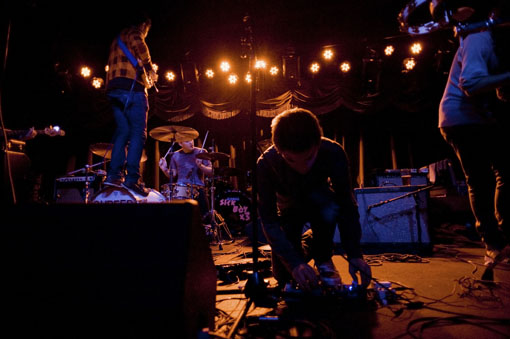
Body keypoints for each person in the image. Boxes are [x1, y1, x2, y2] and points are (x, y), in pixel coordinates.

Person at [256, 108, 372, 292]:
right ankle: (310, 246)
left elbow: (346, 204)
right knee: (283, 275)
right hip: (288, 208)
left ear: (318, 144)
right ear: (279, 151)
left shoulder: (334, 151)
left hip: (321, 202)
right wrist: (294, 264)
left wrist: (355, 254)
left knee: (331, 206)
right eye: (291, 160)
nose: (302, 167)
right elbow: (269, 220)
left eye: (309, 158)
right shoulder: (265, 163)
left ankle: (323, 256)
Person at [436, 0, 510, 266]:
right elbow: (472, 83)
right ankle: (494, 243)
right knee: (481, 179)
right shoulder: (480, 38)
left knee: (499, 174)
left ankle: (498, 240)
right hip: (461, 119)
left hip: (477, 119)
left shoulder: (496, 43)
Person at [103, 14, 158, 197]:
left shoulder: (115, 40)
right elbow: (140, 45)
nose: (146, 33)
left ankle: (113, 175)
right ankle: (132, 179)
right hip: (132, 90)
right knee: (137, 133)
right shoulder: (134, 32)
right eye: (147, 30)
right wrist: (150, 69)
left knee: (122, 131)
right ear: (144, 24)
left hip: (114, 90)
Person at [159, 138, 213, 217]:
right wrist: (164, 169)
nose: (191, 143)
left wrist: (200, 166)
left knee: (205, 217)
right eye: (187, 141)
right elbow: (173, 175)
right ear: (180, 143)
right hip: (181, 189)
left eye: (191, 140)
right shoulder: (175, 155)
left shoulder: (201, 152)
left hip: (198, 188)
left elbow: (211, 172)